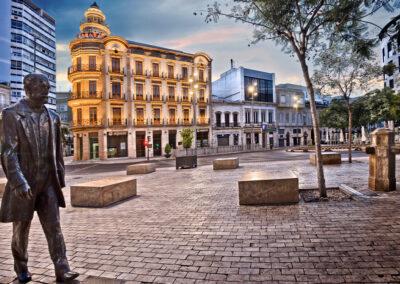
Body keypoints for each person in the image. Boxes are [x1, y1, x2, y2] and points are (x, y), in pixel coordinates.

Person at [0, 74, 79, 283]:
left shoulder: (53, 117)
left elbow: (58, 151)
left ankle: (62, 269)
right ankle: (21, 269)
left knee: (54, 227)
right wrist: (18, 182)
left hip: (47, 184)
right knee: (20, 230)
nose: (46, 90)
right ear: (29, 89)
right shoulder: (11, 114)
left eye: (48, 87)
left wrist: (59, 179)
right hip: (23, 184)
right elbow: (8, 152)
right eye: (42, 87)